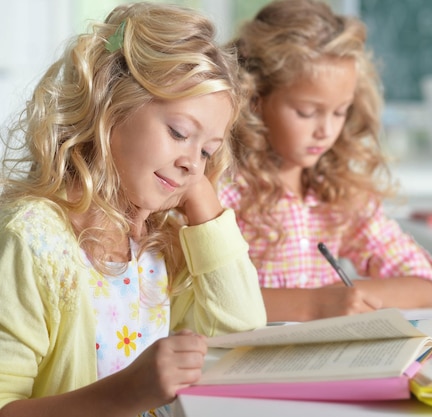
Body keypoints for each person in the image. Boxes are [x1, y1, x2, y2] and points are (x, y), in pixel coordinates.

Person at [0, 3, 266, 416]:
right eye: (179, 132)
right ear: (111, 103)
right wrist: (126, 394)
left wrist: (200, 196)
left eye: (208, 152)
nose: (193, 164)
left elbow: (241, 330)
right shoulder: (34, 238)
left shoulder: (156, 243)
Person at [220, 0, 432, 323]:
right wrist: (316, 304)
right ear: (255, 99)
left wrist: (352, 299)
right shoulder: (223, 191)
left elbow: (422, 285)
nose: (326, 131)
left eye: (340, 112)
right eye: (307, 112)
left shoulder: (336, 191)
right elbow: (205, 300)